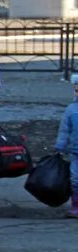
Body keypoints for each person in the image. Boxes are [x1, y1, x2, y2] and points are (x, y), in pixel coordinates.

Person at [54, 74, 78, 218]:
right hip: (75, 152)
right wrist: (60, 146)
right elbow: (64, 130)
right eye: (76, 90)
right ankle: (76, 206)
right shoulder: (71, 109)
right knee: (75, 179)